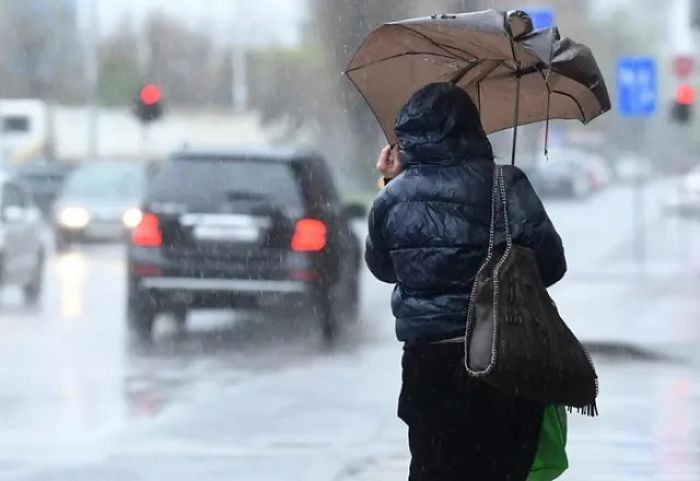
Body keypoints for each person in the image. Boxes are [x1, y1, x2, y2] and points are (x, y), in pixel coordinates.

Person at [365, 82, 567, 481]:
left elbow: (384, 267)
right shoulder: (506, 185)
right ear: (471, 129)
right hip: (505, 360)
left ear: (406, 139)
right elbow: (553, 265)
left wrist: (389, 184)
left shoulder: (391, 200)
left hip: (429, 367)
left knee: (435, 470)